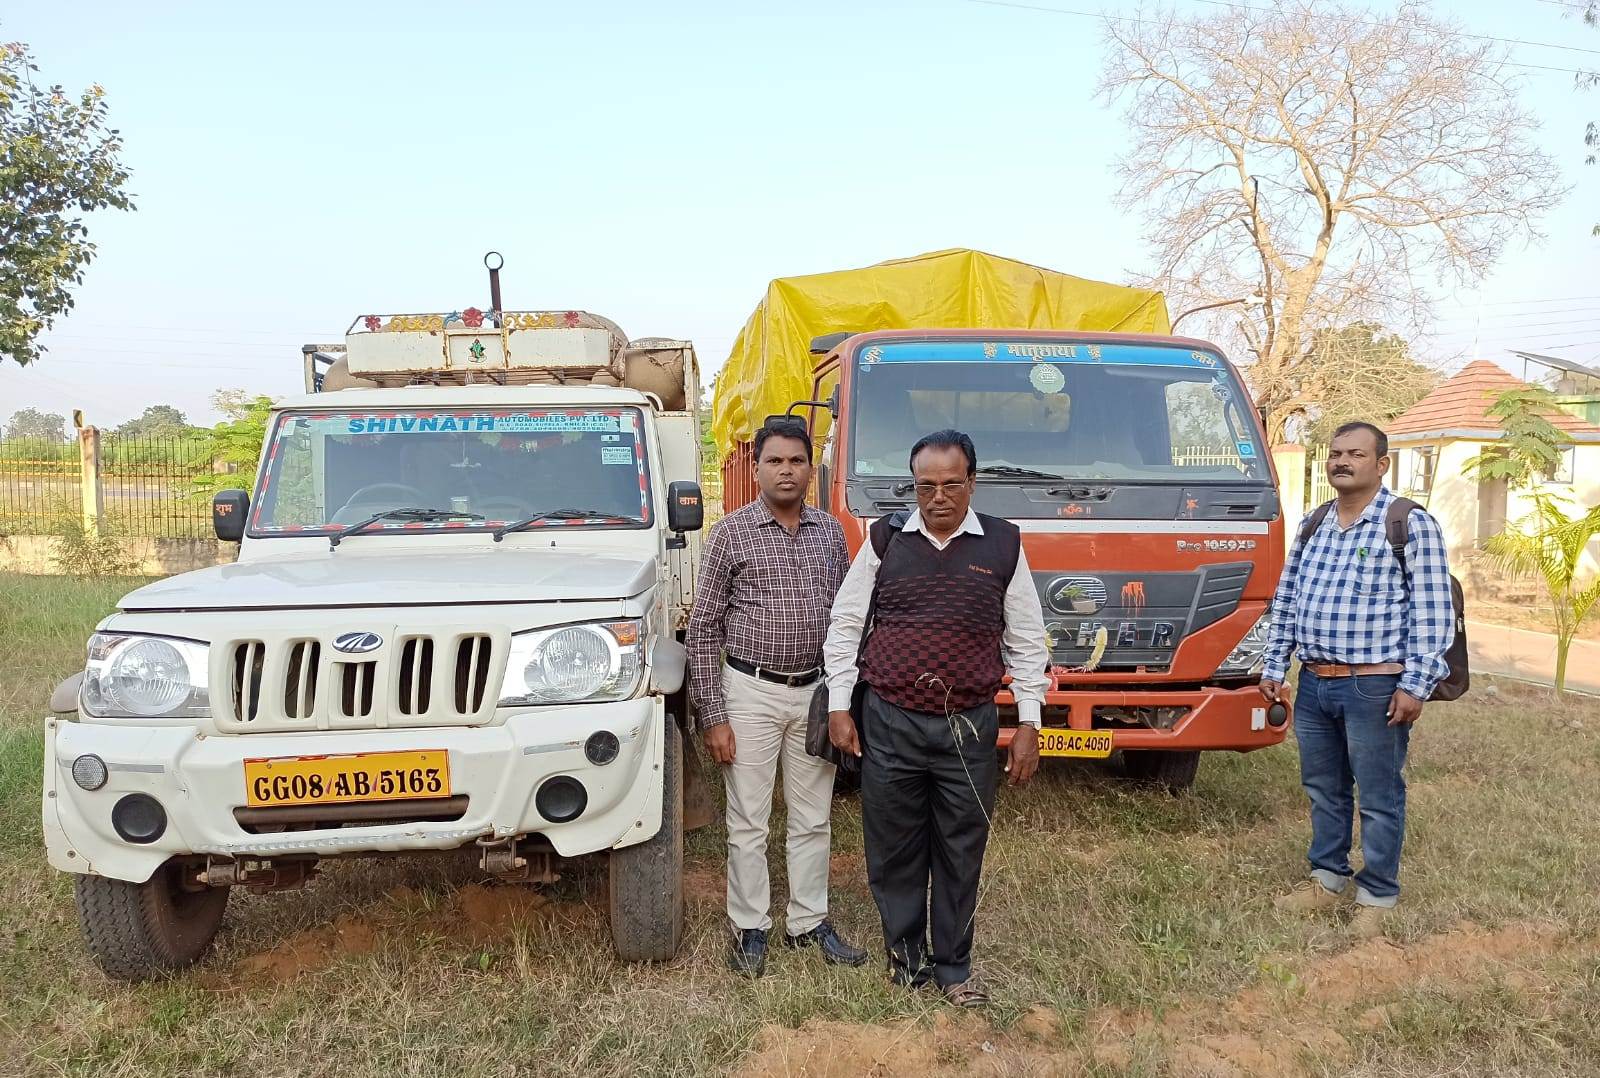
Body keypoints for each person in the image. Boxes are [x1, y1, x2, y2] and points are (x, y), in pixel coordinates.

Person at [823, 429, 1050, 1007]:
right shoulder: (885, 540)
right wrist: (839, 705)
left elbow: (1026, 641)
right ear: (914, 486)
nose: (939, 498)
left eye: (952, 485)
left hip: (968, 726)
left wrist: (1029, 722)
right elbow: (847, 625)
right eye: (926, 486)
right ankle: (906, 959)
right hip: (890, 719)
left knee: (959, 847)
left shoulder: (1003, 545)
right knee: (894, 847)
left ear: (972, 482)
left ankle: (953, 967)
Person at [685, 417, 868, 977]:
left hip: (814, 692)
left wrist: (843, 696)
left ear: (810, 469)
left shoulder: (830, 533)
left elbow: (844, 620)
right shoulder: (730, 534)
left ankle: (809, 922)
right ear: (757, 468)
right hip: (750, 692)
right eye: (775, 461)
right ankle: (750, 927)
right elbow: (704, 630)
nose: (786, 470)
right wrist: (713, 714)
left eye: (796, 461)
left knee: (813, 818)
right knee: (748, 819)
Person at [1261, 421, 1454, 939]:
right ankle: (1326, 879)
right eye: (1336, 453)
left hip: (1376, 686)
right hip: (1316, 683)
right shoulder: (1314, 523)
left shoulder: (1408, 524)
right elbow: (1287, 600)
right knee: (1323, 789)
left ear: (1381, 464)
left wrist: (1416, 685)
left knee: (1378, 793)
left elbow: (1433, 615)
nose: (1342, 462)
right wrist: (1275, 665)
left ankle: (1378, 895)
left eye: (1356, 454)